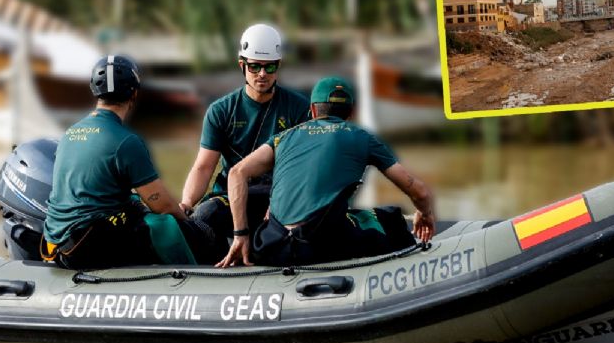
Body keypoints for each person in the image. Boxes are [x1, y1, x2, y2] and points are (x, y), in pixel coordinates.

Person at [216, 76, 435, 268]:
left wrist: (241, 235)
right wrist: (424, 214)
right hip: (321, 245)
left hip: (271, 246)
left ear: (312, 110)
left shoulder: (282, 137)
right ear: (351, 113)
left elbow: (237, 173)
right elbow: (420, 192)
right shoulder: (361, 136)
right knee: (391, 219)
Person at [44, 55, 220, 269]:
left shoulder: (70, 133)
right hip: (90, 246)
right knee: (195, 233)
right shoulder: (126, 141)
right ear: (134, 93)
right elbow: (162, 205)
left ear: (95, 92)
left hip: (59, 242)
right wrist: (188, 221)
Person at [180, 23, 309, 242]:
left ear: (278, 66)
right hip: (231, 195)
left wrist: (284, 204)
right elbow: (203, 167)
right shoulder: (221, 110)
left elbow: (303, 169)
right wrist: (186, 204)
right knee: (202, 218)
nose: (262, 74)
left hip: (276, 196)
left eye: (269, 67)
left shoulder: (298, 108)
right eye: (254, 66)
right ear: (242, 65)